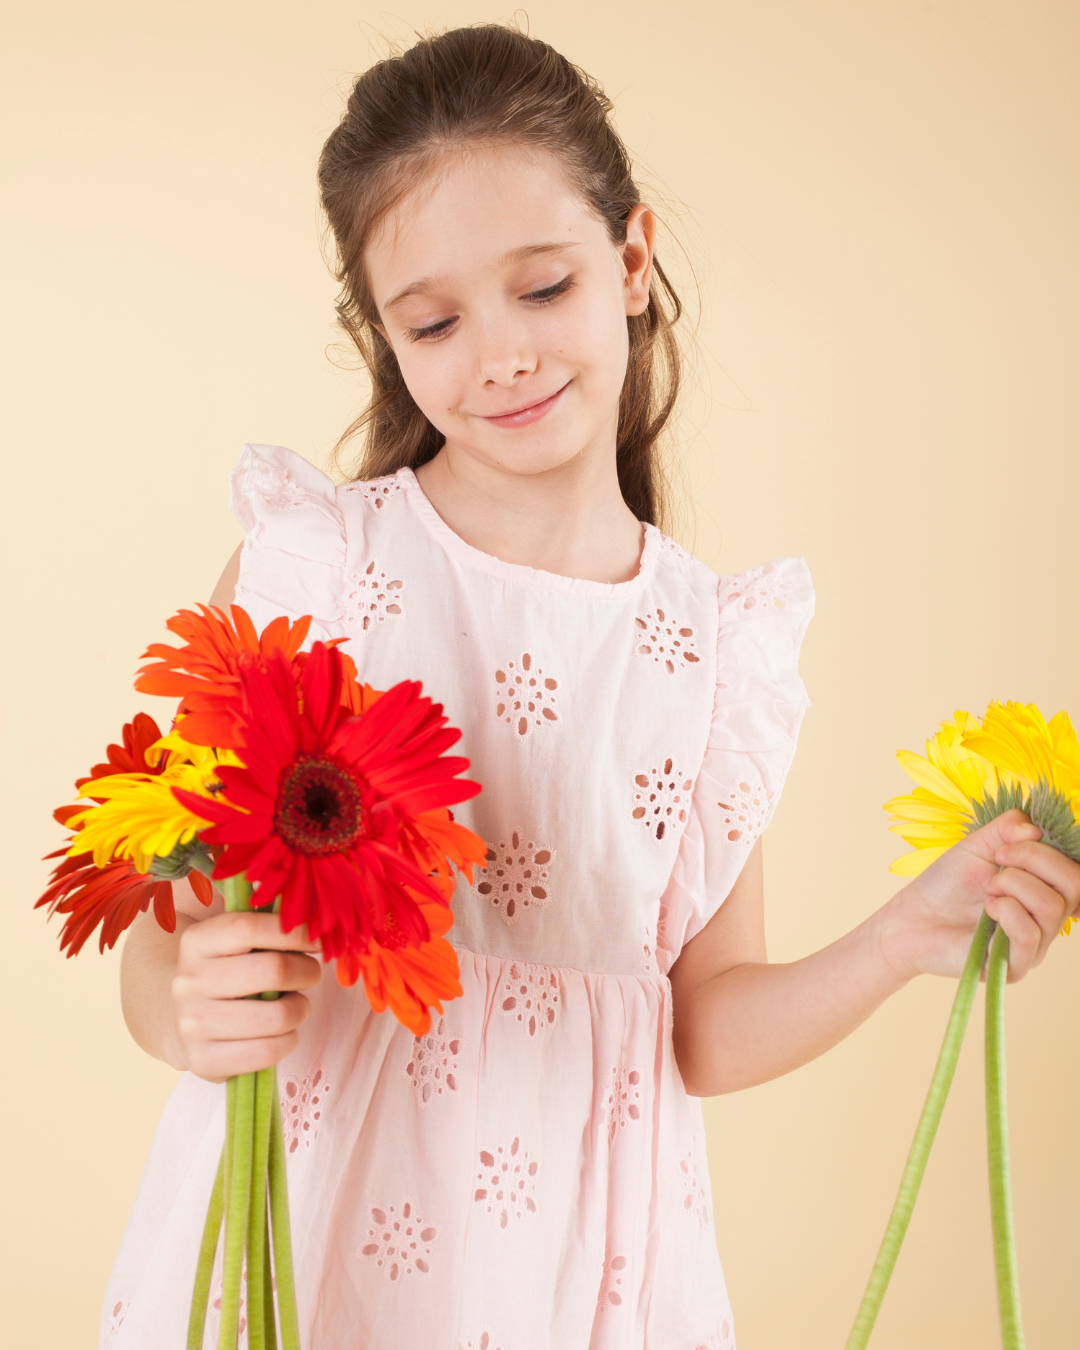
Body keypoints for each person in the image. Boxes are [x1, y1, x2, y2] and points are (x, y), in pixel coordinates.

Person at [105, 24, 1080, 1350]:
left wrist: (902, 936)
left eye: (543, 288)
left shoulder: (708, 646)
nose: (499, 354)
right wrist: (182, 1000)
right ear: (382, 337)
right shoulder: (316, 565)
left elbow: (695, 1026)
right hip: (319, 1219)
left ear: (630, 261)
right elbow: (161, 927)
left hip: (591, 1258)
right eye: (436, 320)